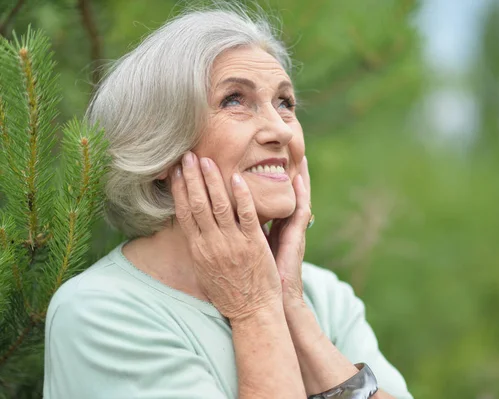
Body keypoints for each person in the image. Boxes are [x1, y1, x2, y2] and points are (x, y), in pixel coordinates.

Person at [43, 5, 412, 399]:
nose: (279, 131)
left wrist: (293, 310)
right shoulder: (101, 313)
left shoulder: (324, 296)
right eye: (235, 100)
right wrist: (254, 308)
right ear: (160, 147)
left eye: (285, 103)